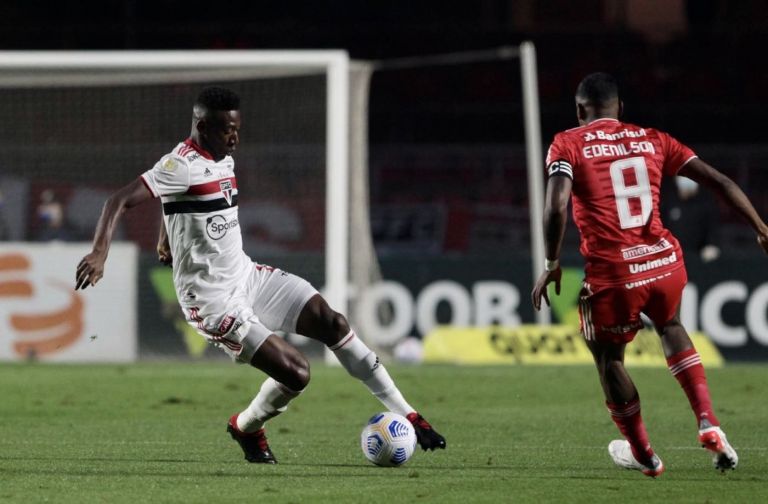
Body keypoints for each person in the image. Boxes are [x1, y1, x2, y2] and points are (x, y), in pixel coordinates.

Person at [76, 87, 446, 464]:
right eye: (226, 131)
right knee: (298, 374)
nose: (234, 138)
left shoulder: (223, 159)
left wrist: (165, 237)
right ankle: (247, 426)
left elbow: (175, 203)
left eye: (237, 129)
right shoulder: (181, 164)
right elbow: (117, 200)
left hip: (247, 276)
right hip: (212, 302)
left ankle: (409, 414)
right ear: (203, 126)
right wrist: (99, 252)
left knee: (332, 322)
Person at [531, 72, 768, 477]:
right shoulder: (655, 138)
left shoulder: (567, 142)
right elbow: (720, 181)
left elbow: (555, 208)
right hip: (664, 263)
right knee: (671, 324)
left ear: (578, 110)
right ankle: (708, 420)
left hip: (614, 274)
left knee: (608, 358)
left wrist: (552, 265)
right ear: (620, 109)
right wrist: (761, 229)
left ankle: (644, 455)